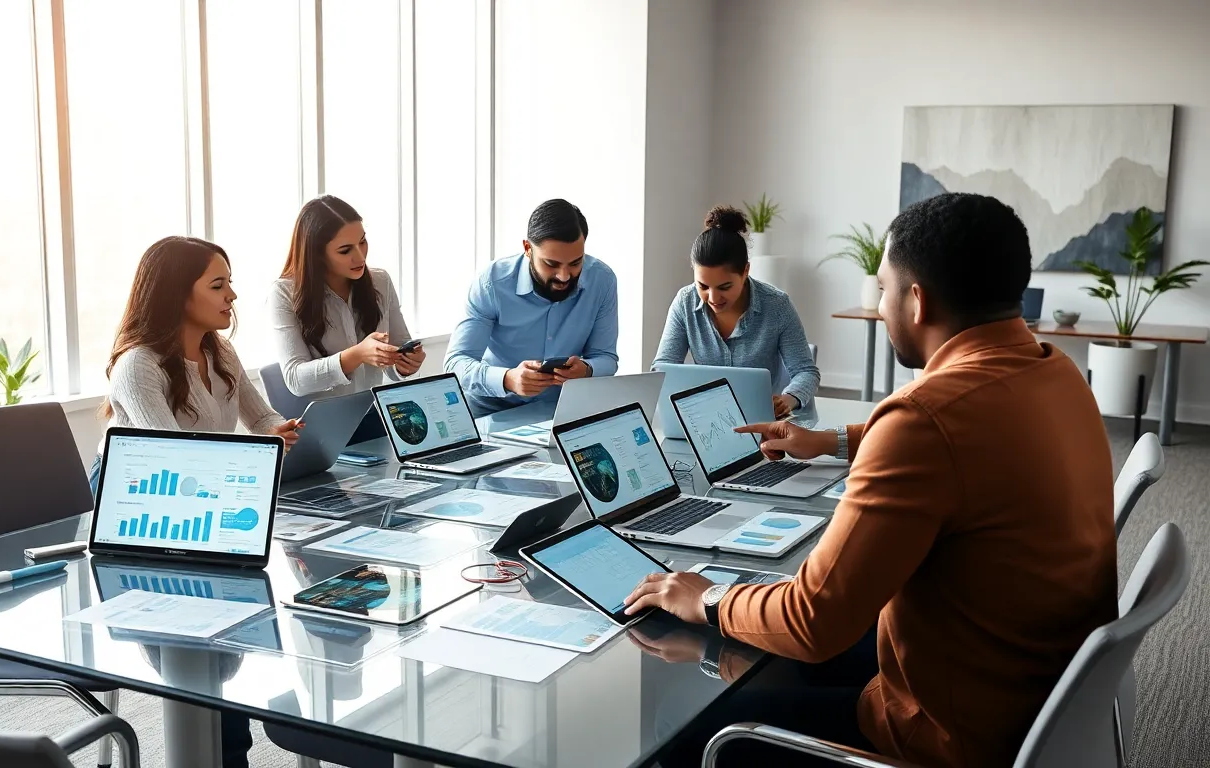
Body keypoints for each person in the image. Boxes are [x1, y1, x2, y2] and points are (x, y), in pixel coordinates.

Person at [623, 193, 1116, 768]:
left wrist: (705, 597)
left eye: (883, 290)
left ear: (917, 301)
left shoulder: (922, 419)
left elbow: (811, 624)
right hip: (1031, 696)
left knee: (693, 725)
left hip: (940, 732)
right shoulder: (1056, 371)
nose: (880, 307)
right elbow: (963, 443)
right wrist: (831, 441)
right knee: (766, 649)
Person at [88, 235, 301, 768]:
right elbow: (175, 460)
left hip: (207, 491)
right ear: (176, 295)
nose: (232, 296)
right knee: (206, 627)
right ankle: (224, 746)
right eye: (218, 284)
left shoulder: (218, 348)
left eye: (229, 282)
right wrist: (245, 466)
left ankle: (228, 737)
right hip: (141, 499)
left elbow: (259, 416)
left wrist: (281, 429)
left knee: (232, 625)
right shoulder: (137, 367)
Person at [268, 195, 424, 443]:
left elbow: (397, 358)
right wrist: (357, 354)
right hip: (318, 431)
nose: (360, 257)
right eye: (345, 250)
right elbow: (296, 379)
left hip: (375, 416)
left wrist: (405, 364)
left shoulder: (380, 282)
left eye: (362, 242)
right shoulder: (284, 293)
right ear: (316, 254)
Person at [443, 198, 618, 415]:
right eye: (551, 264)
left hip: (560, 412)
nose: (564, 276)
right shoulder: (491, 283)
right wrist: (507, 379)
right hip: (489, 413)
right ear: (527, 248)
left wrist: (587, 370)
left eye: (575, 263)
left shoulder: (602, 280)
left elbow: (606, 358)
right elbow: (455, 364)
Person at [652, 205, 819, 421]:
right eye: (703, 286)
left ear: (745, 271)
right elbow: (662, 370)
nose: (713, 298)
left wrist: (788, 399)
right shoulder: (685, 302)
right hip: (708, 421)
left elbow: (806, 372)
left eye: (724, 287)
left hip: (765, 423)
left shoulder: (777, 305)